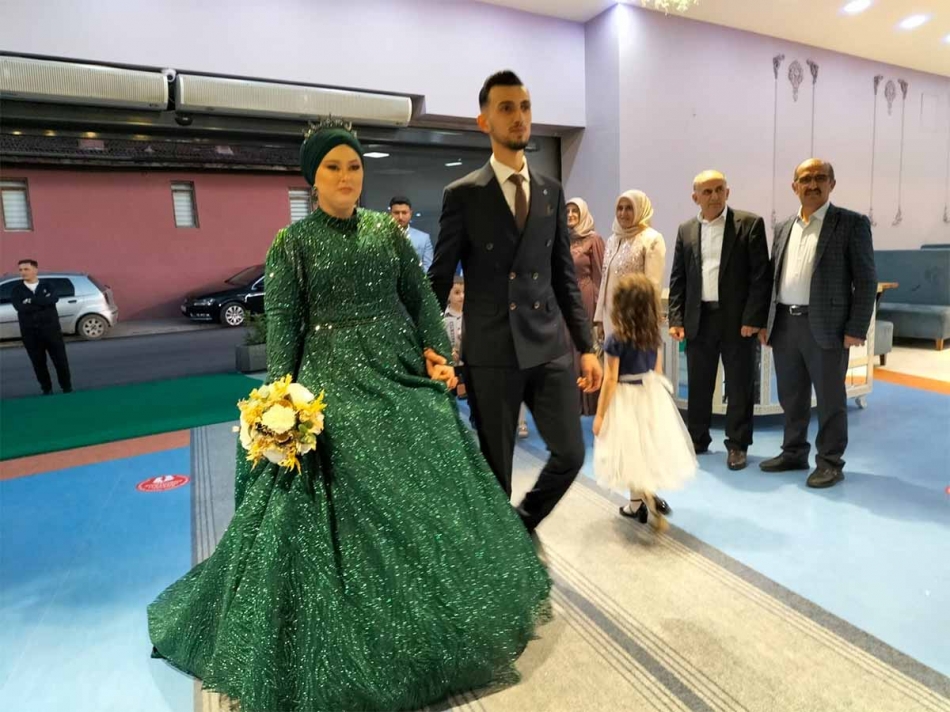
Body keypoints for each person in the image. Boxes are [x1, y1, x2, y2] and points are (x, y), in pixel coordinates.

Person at [148, 124, 551, 712]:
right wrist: (280, 402)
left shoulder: (386, 234)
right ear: (312, 179)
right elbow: (284, 326)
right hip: (328, 380)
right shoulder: (292, 245)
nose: (346, 177)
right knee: (335, 465)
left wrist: (437, 351)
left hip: (396, 367)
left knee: (433, 452)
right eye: (333, 167)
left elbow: (419, 298)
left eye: (354, 167)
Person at [429, 70, 602, 533]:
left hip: (548, 347)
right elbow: (440, 277)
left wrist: (586, 347)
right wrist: (428, 345)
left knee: (571, 454)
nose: (519, 117)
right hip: (491, 352)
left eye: (524, 107)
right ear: (484, 121)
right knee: (495, 472)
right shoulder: (464, 195)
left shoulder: (550, 190)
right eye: (506, 108)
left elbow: (564, 276)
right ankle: (499, 549)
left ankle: (522, 526)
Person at [759, 159, 876, 489]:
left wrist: (856, 327)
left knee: (830, 399)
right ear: (794, 186)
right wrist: (766, 321)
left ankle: (830, 462)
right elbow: (773, 277)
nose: (812, 185)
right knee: (791, 396)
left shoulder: (851, 224)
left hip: (827, 327)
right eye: (805, 179)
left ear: (832, 184)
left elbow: (866, 280)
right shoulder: (784, 227)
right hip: (785, 323)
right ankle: (794, 452)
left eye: (820, 178)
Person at [668, 171, 772, 471]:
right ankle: (697, 439)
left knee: (739, 384)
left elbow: (760, 277)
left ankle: (737, 444)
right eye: (707, 191)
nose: (714, 196)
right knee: (699, 383)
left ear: (727, 192)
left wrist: (753, 318)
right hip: (699, 318)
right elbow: (679, 278)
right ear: (695, 197)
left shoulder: (749, 224)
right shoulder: (686, 230)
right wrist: (676, 317)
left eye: (719, 189)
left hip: (738, 321)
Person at [593, 273, 696, 529]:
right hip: (650, 395)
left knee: (628, 452)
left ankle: (643, 498)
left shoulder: (616, 340)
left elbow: (610, 379)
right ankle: (637, 504)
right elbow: (657, 371)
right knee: (643, 451)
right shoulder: (653, 336)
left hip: (624, 398)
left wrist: (601, 414)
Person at [594, 189, 671, 516]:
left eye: (629, 207)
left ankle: (640, 496)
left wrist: (643, 323)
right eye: (620, 207)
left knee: (632, 435)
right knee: (636, 437)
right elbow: (605, 281)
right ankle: (640, 496)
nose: (624, 213)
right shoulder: (613, 239)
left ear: (641, 209)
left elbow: (650, 287)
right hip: (615, 319)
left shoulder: (651, 239)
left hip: (636, 322)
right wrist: (600, 317)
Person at [10, 259, 72, 396]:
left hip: (52, 331)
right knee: (38, 363)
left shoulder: (48, 286)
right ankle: (46, 389)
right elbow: (20, 308)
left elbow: (53, 299)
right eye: (20, 270)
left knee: (60, 361)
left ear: (35, 270)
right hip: (30, 334)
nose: (23, 272)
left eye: (26, 269)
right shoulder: (17, 290)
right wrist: (43, 302)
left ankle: (66, 387)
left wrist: (31, 300)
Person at [567, 197, 606, 416]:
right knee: (567, 347)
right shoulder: (563, 239)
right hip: (565, 299)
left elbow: (600, 275)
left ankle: (588, 403)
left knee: (584, 346)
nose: (571, 215)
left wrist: (600, 311)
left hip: (586, 297)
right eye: (567, 211)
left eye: (575, 211)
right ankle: (572, 400)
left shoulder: (594, 239)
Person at [390, 195, 433, 271]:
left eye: (404, 213)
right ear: (390, 214)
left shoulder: (424, 238)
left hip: (417, 278)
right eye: (396, 213)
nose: (400, 217)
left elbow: (428, 267)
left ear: (410, 213)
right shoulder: (382, 237)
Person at [444, 275, 466, 398]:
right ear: (448, 295)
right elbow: (440, 339)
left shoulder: (471, 315)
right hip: (450, 365)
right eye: (457, 293)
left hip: (467, 365)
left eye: (464, 292)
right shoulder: (443, 318)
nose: (462, 296)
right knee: (451, 395)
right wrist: (449, 351)